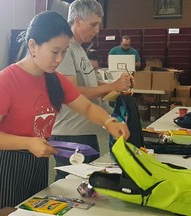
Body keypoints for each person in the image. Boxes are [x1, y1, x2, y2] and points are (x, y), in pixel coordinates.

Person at [0, 10, 130, 211]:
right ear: (33, 46)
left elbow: (87, 107)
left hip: (37, 161)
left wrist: (109, 122)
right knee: (5, 212)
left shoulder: (53, 79)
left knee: (31, 210)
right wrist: (28, 143)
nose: (59, 59)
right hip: (7, 163)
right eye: (55, 51)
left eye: (64, 52)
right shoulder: (4, 82)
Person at [51, 0, 133, 180]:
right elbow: (72, 93)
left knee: (89, 184)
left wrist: (118, 88)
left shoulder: (80, 50)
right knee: (68, 185)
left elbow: (93, 87)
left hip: (85, 130)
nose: (97, 30)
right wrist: (112, 86)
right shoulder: (64, 51)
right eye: (93, 24)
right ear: (78, 21)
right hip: (70, 133)